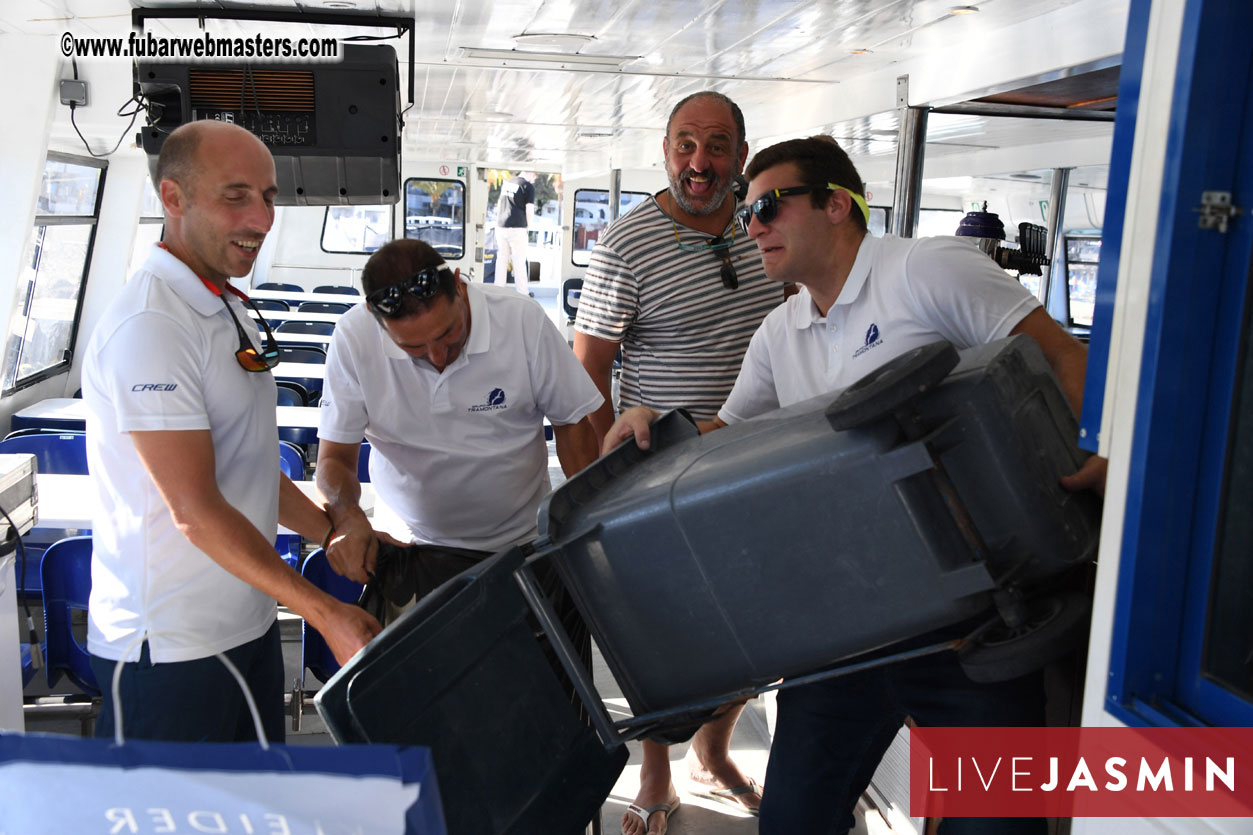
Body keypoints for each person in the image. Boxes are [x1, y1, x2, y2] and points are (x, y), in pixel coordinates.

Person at [605, 135, 1104, 834]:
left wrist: (1106, 454)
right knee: (793, 819)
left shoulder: (928, 270)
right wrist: (651, 424)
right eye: (746, 214)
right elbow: (725, 437)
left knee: (991, 827)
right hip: (848, 627)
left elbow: (1060, 356)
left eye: (769, 207)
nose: (751, 228)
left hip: (973, 622)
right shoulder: (782, 331)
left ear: (836, 204)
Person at [82, 120, 382, 744]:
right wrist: (324, 612)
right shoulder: (152, 324)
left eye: (269, 197)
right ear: (173, 198)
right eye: (236, 196)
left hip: (243, 622)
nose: (262, 219)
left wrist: (333, 533)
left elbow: (245, 468)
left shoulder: (223, 305)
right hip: (170, 648)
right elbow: (193, 508)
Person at [574, 91, 787, 834]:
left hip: (756, 462)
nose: (701, 163)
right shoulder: (624, 245)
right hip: (658, 472)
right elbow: (587, 371)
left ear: (740, 152)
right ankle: (658, 772)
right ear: (665, 149)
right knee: (662, 635)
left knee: (757, 630)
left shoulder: (766, 225)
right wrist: (605, 482)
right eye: (686, 144)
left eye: (718, 146)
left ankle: (715, 751)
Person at [314, 237, 601, 586]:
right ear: (377, 323)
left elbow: (573, 425)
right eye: (413, 347)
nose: (437, 357)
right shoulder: (353, 337)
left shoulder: (521, 320)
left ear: (460, 286)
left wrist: (588, 522)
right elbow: (335, 460)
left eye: (449, 334)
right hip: (408, 547)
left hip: (520, 544)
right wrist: (347, 514)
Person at [494, 170, 537, 293]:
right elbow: (529, 210)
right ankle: (523, 294)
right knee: (519, 262)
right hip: (517, 228)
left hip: (501, 226)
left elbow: (500, 205)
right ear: (530, 173)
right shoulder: (527, 186)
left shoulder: (507, 183)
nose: (534, 179)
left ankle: (497, 292)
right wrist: (528, 227)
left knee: (501, 261)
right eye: (534, 175)